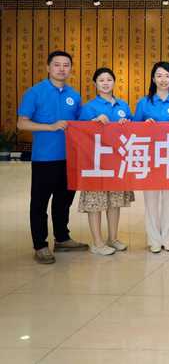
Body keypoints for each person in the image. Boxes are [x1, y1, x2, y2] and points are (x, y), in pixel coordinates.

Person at [17, 50, 88, 264]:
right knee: (40, 203)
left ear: (71, 69)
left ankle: (62, 238)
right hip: (44, 159)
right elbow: (22, 123)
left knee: (63, 201)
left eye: (66, 65)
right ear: (48, 67)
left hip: (70, 158)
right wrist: (50, 127)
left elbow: (81, 124)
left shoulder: (74, 95)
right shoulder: (35, 92)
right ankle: (40, 245)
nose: (61, 69)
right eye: (57, 65)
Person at [78, 68, 135, 256]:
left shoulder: (123, 105)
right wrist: (93, 121)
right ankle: (97, 242)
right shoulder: (89, 107)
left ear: (114, 82)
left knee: (114, 202)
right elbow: (79, 132)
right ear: (95, 83)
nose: (105, 83)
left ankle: (113, 238)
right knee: (96, 202)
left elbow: (133, 130)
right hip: (95, 163)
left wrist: (127, 123)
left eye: (109, 79)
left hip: (117, 161)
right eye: (101, 80)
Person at [133, 61, 169, 253]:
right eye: (159, 75)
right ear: (153, 79)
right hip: (150, 158)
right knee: (151, 201)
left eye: (167, 76)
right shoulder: (144, 102)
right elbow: (133, 129)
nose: (163, 79)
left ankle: (168, 239)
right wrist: (144, 125)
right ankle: (154, 240)